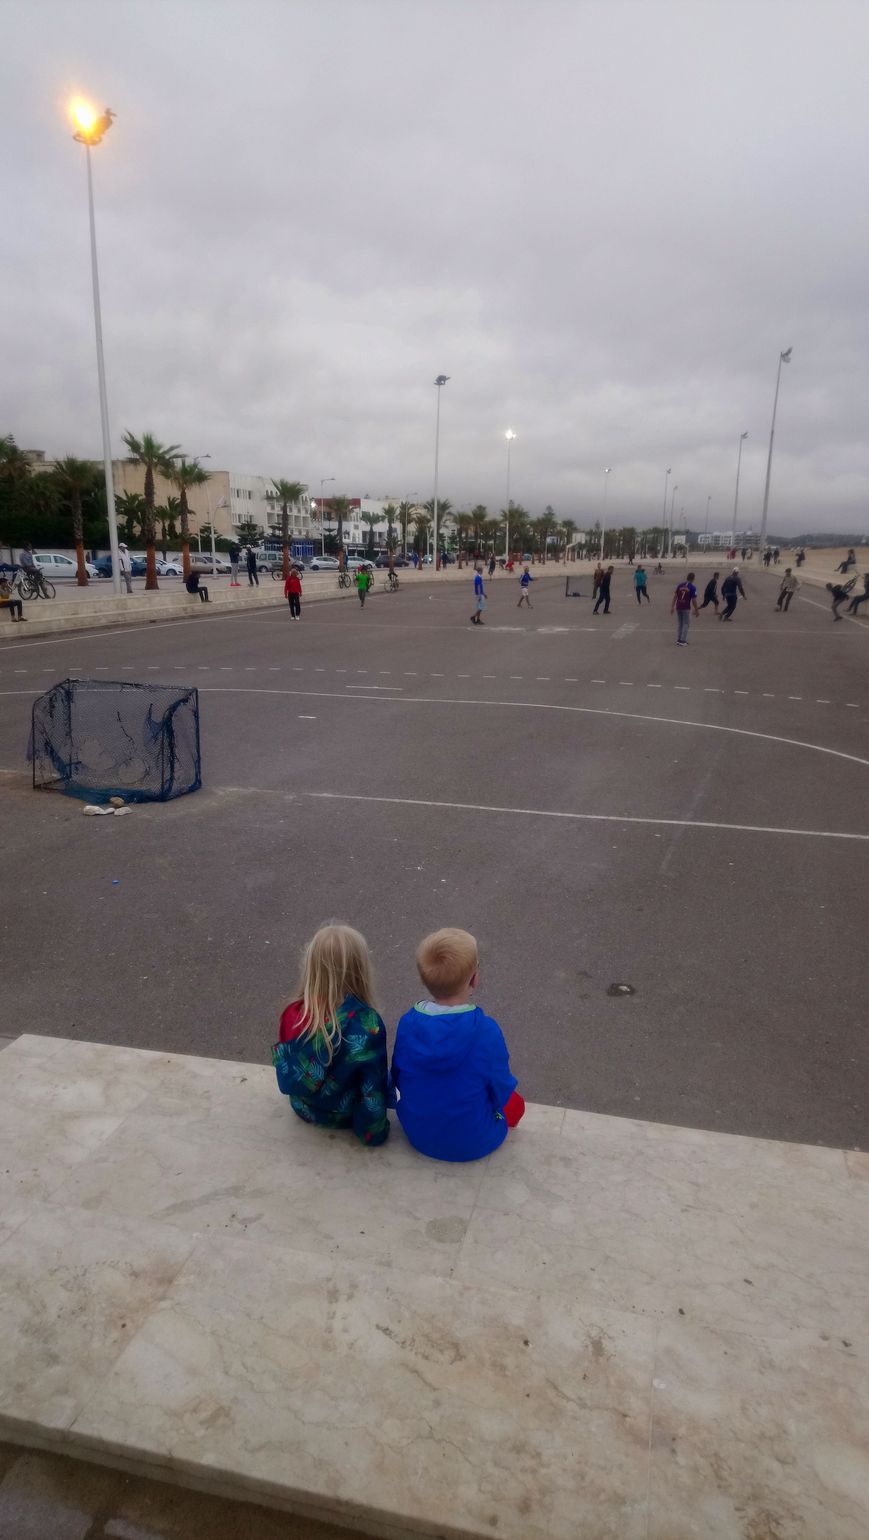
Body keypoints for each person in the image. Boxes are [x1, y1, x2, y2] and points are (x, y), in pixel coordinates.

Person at [391, 928, 524, 1163]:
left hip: (417, 1133)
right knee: (516, 1105)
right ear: (474, 978)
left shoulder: (408, 1023)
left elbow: (399, 1076)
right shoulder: (486, 1030)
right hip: (476, 1141)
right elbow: (500, 1087)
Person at [271, 924, 389, 1147]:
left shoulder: (293, 1013)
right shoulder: (367, 1024)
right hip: (345, 1115)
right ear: (362, 970)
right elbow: (371, 1087)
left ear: (310, 968)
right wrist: (375, 1133)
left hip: (303, 1107)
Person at [670, 570, 699, 644]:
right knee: (686, 623)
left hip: (678, 606)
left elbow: (675, 596)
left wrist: (672, 607)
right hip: (686, 607)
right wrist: (696, 610)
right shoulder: (692, 587)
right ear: (693, 579)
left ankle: (678, 639)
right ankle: (682, 640)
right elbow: (694, 600)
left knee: (680, 623)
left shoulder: (680, 585)